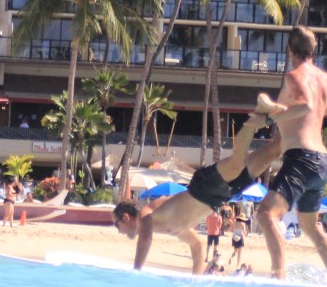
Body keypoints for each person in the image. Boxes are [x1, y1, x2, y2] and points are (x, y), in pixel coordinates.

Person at [112, 112, 280, 273]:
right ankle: (290, 129)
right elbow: (197, 246)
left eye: (116, 224)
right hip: (220, 197)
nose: (118, 231)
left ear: (126, 217)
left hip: (203, 187)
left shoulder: (145, 214)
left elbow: (145, 239)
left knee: (238, 161)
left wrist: (136, 272)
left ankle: (254, 121)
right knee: (272, 153)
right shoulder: (169, 226)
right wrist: (196, 283)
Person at [253, 25, 327, 281]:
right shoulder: (322, 78)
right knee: (310, 226)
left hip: (302, 159)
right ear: (313, 50)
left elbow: (305, 107)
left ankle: (279, 278)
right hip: (321, 163)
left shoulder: (294, 76)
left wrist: (270, 118)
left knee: (266, 213)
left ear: (290, 50)